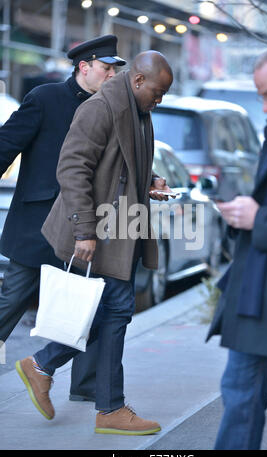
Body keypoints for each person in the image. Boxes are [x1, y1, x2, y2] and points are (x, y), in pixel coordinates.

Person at [15, 50, 174, 435]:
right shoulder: (101, 108)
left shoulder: (136, 109)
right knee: (115, 311)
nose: (160, 100)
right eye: (158, 91)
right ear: (137, 81)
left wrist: (149, 180)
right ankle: (107, 407)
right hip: (97, 231)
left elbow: (124, 158)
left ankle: (45, 367)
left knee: (109, 313)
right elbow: (72, 167)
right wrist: (84, 231)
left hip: (118, 228)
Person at [0, 35, 126, 400]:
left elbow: (115, 163)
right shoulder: (45, 98)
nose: (110, 76)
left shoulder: (112, 107)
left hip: (83, 226)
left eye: (114, 70)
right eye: (105, 68)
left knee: (86, 303)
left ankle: (85, 389)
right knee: (12, 301)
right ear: (84, 67)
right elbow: (6, 145)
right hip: (36, 226)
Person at [206, 45, 267, 450]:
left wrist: (258, 219)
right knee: (238, 401)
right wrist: (241, 217)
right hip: (255, 296)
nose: (263, 106)